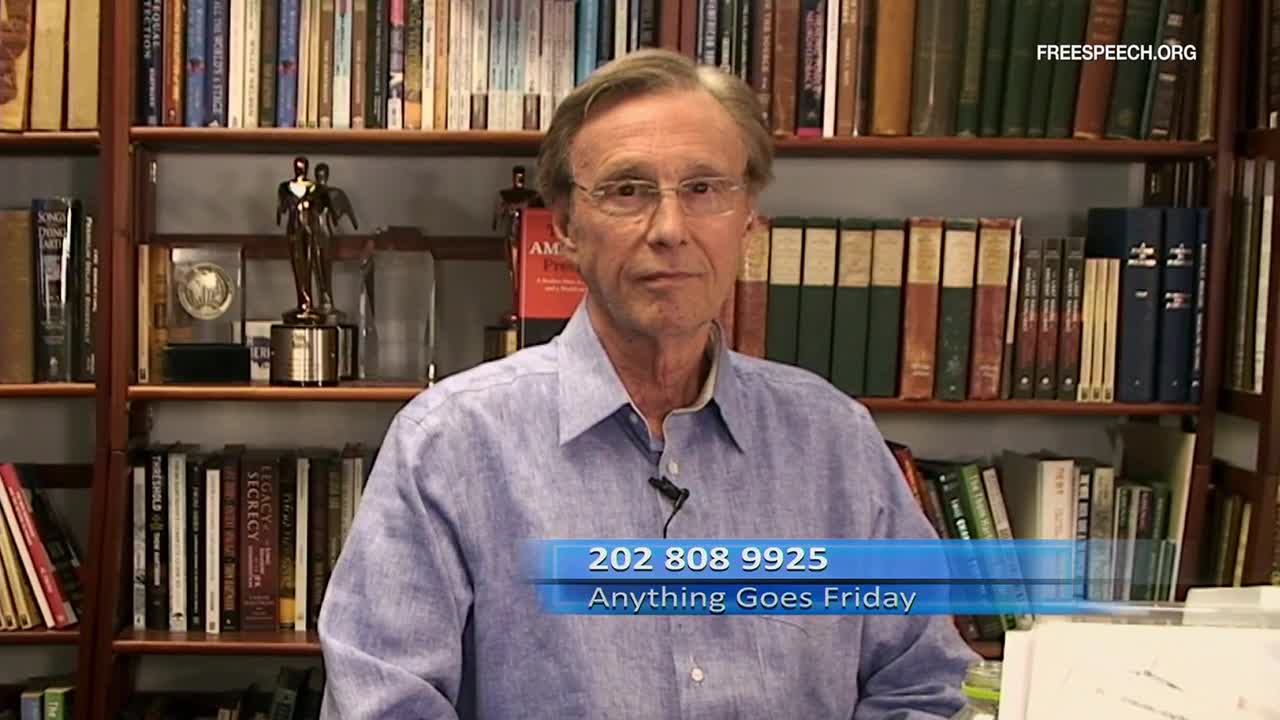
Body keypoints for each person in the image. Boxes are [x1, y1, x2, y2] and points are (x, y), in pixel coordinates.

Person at [318, 48, 978, 719]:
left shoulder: (836, 443)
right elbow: (382, 704)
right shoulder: (449, 445)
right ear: (566, 228)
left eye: (704, 189)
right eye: (627, 191)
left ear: (748, 221)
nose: (670, 230)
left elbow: (925, 686)